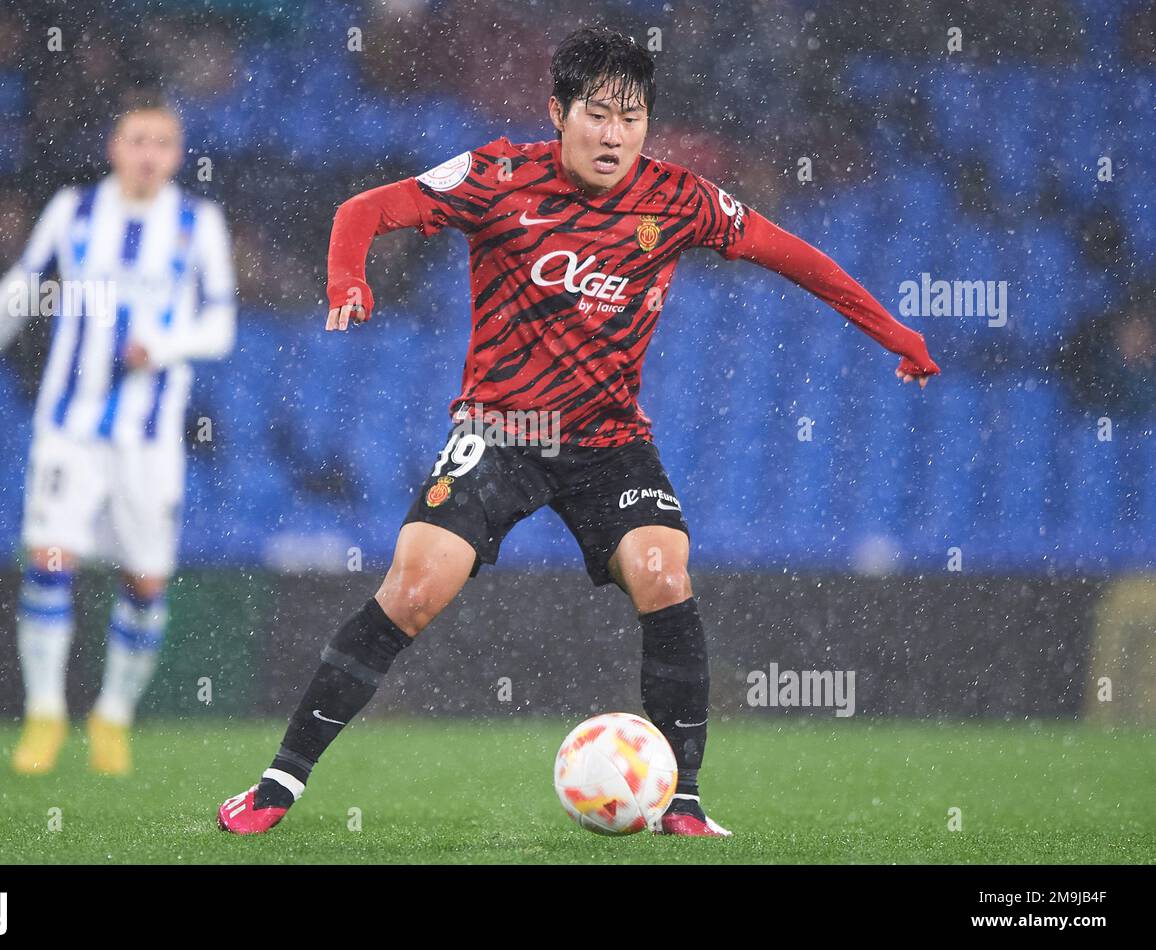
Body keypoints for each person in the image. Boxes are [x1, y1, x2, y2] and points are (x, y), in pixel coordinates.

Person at [218, 27, 937, 836]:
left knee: (665, 572)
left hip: (608, 439)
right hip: (501, 427)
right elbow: (367, 208)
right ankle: (278, 784)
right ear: (557, 113)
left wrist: (897, 335)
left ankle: (686, 800)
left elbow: (797, 257)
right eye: (597, 115)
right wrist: (348, 278)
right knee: (416, 587)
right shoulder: (496, 175)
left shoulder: (678, 199)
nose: (614, 134)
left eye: (631, 118)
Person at [0, 99, 237, 775]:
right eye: (136, 139)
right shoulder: (73, 211)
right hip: (69, 426)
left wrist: (165, 342)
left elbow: (221, 326)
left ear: (177, 155)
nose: (148, 153)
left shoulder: (196, 225)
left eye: (162, 143)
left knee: (145, 580)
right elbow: (17, 294)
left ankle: (112, 716)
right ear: (115, 145)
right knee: (50, 559)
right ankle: (44, 713)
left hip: (148, 441)